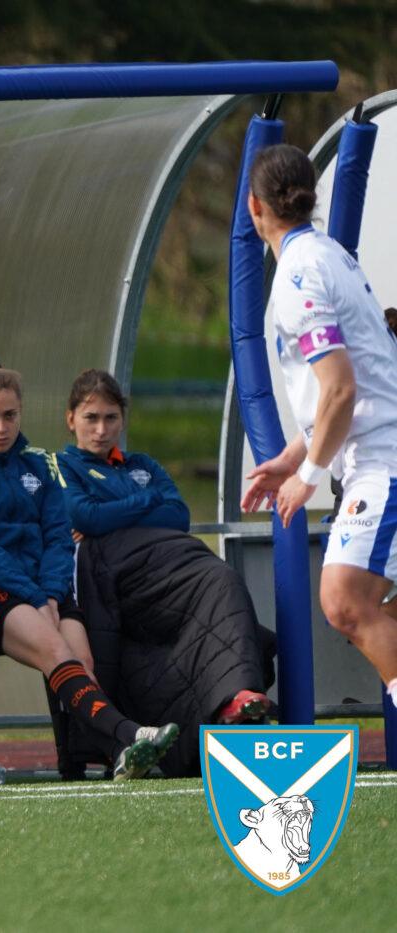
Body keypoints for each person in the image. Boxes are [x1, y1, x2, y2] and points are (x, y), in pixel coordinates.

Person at [0, 359, 178, 780]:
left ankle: (87, 760)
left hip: (44, 591)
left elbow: (59, 537)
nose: (1, 427)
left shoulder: (40, 462)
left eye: (10, 415)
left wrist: (51, 592)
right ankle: (131, 736)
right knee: (56, 651)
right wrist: (34, 596)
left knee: (82, 658)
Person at [241, 143, 397, 711]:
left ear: (255, 206)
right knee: (373, 608)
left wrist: (307, 476)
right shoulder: (328, 254)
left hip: (382, 461)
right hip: (379, 451)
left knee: (345, 601)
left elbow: (342, 389)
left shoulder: (298, 275)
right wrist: (292, 456)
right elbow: (349, 389)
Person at [59, 368, 272, 726]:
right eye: (90, 418)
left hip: (172, 560)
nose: (101, 429)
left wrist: (111, 512)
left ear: (122, 419)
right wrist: (147, 501)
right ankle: (232, 696)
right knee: (216, 586)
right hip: (121, 577)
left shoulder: (142, 464)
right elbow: (86, 517)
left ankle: (238, 696)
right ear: (71, 420)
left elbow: (178, 516)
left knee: (224, 580)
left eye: (111, 418)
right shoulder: (62, 465)